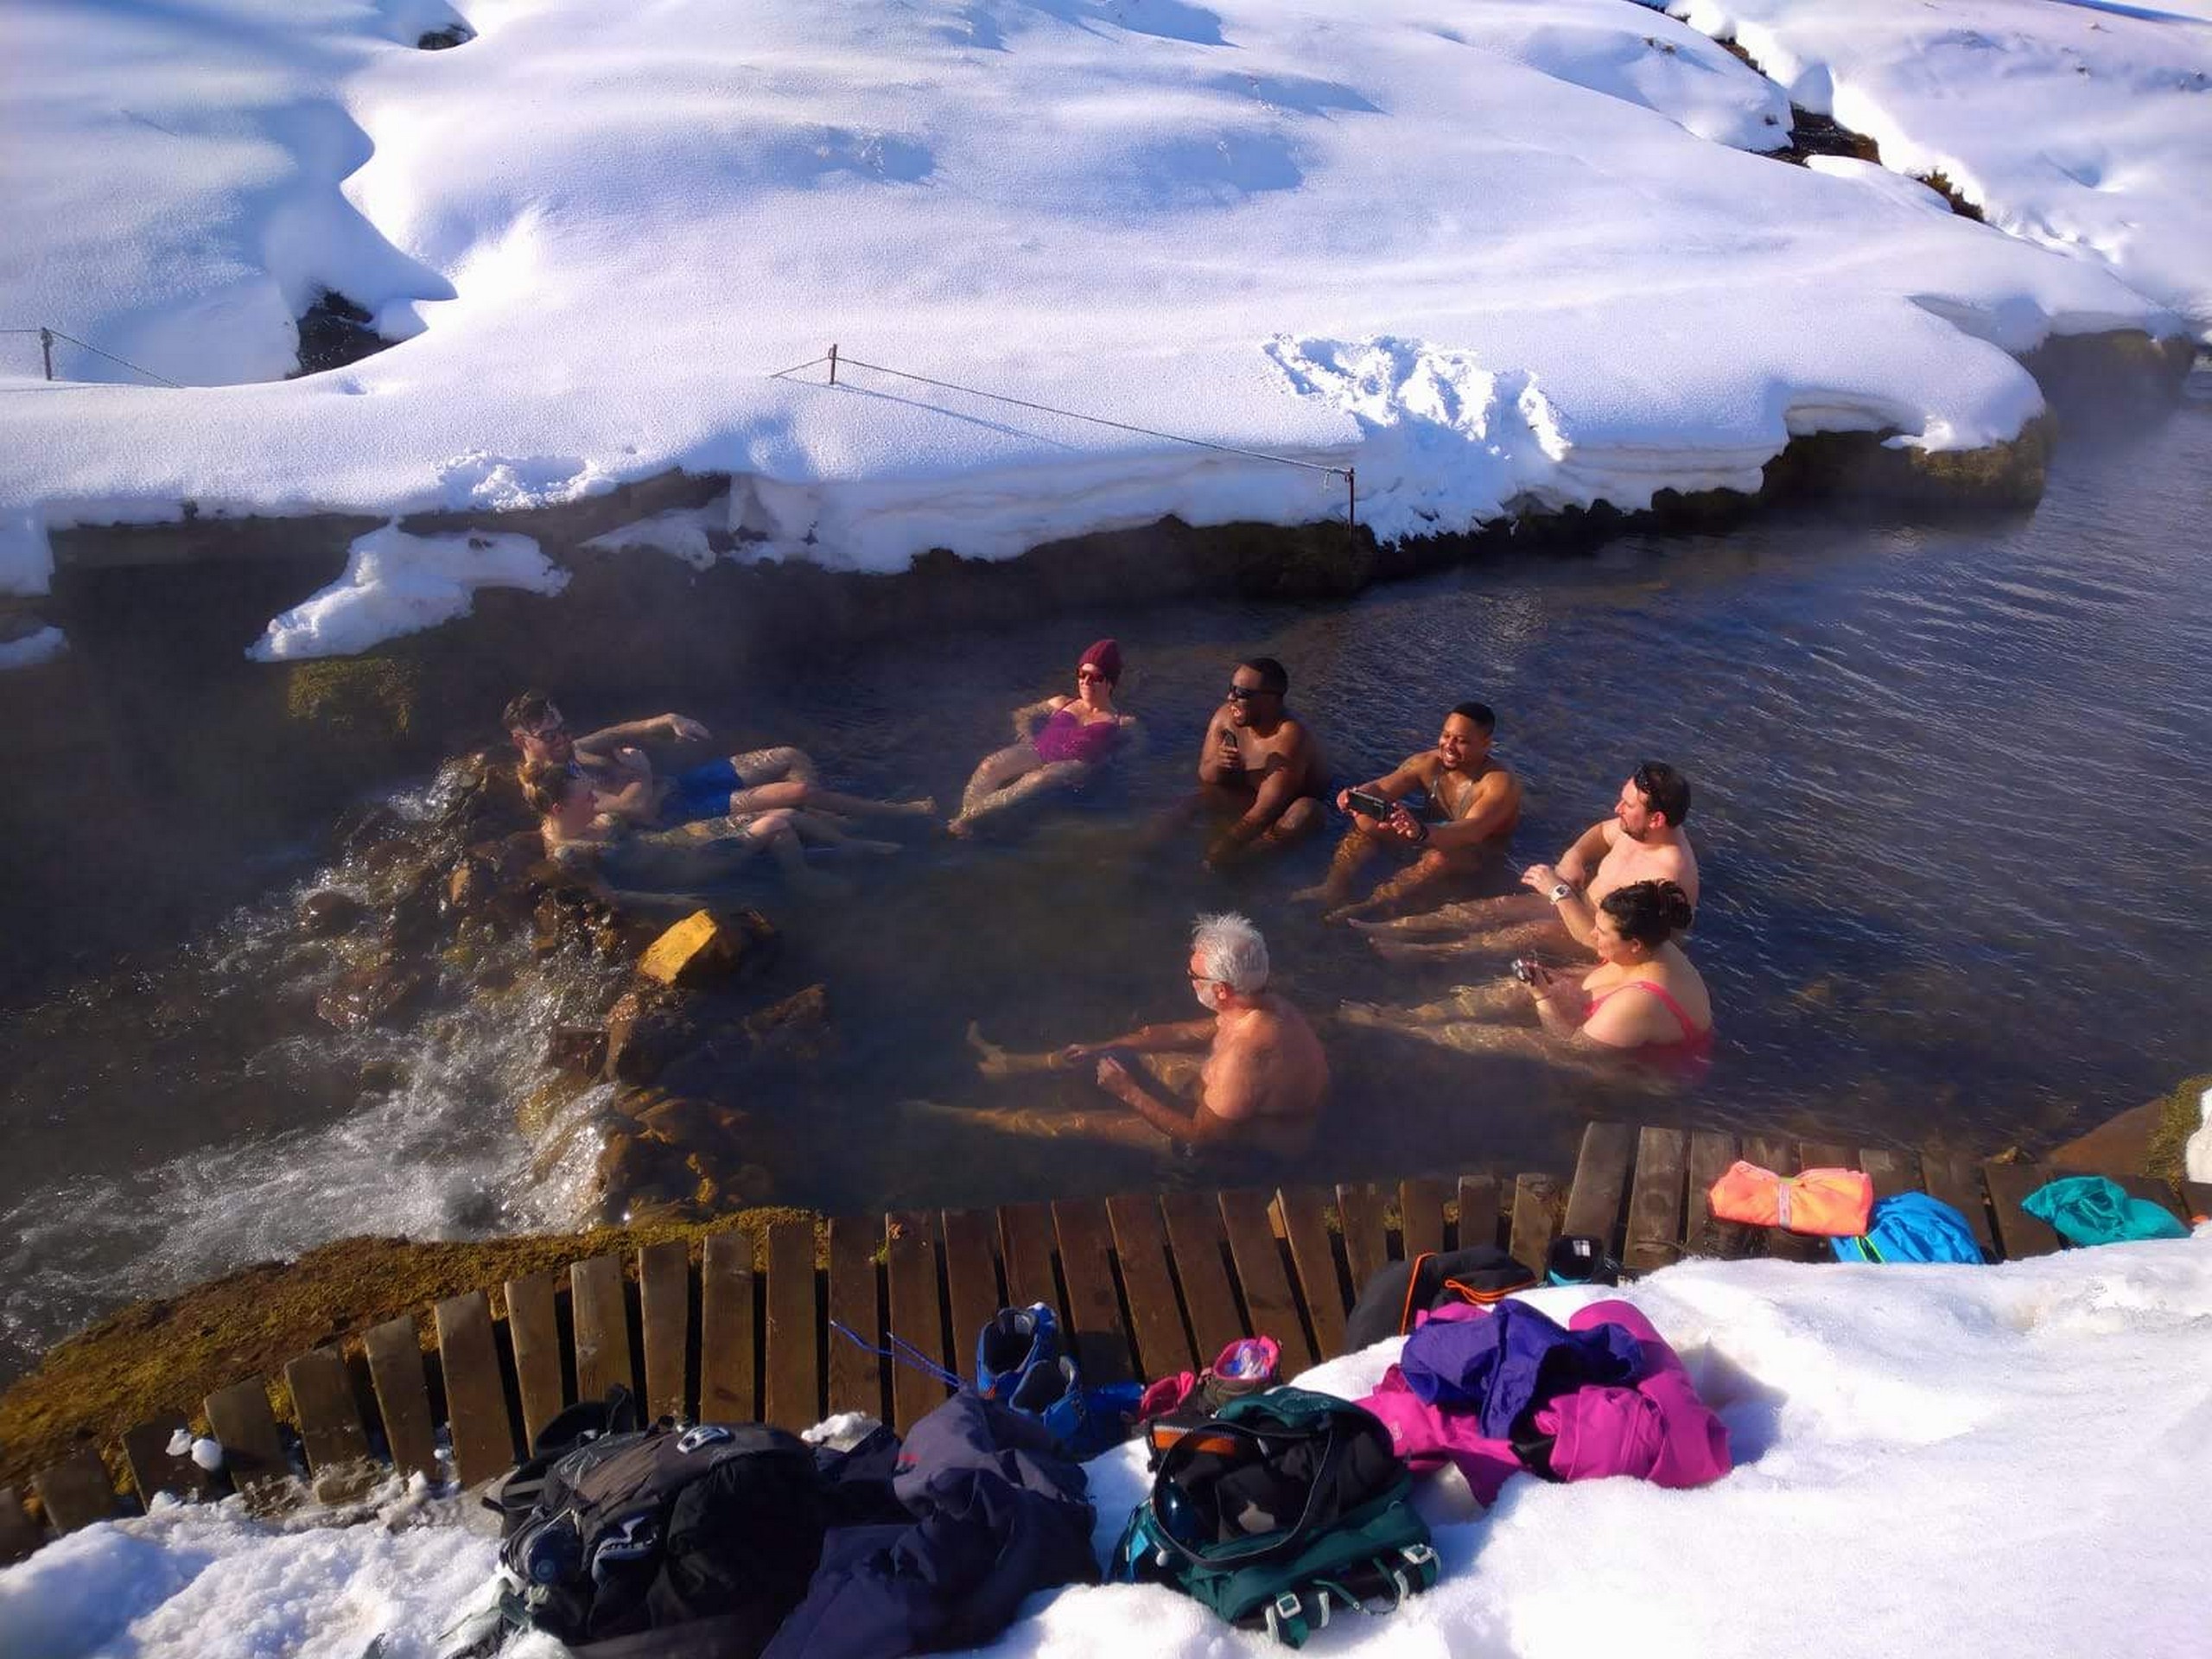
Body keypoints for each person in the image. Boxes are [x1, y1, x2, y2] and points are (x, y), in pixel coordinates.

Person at [962, 913, 1329, 1154]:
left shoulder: (1247, 1056)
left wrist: (1128, 1093)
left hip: (1240, 1146)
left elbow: (1205, 1137)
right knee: (1126, 1050)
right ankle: (1010, 1064)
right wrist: (1106, 1045)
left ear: (1220, 990)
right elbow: (1185, 1032)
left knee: (1085, 1123)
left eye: (1193, 976)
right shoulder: (1258, 1006)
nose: (1188, 979)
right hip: (1223, 1102)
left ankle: (964, 1117)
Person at [1342, 880, 1712, 1065]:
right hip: (1618, 1020)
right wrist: (1545, 987)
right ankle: (1413, 1016)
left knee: (1511, 1037)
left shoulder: (1641, 1001)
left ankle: (1400, 1028)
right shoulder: (1653, 944)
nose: (1591, 935)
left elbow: (1572, 1049)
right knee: (1520, 984)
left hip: (1640, 1073)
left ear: (1634, 945)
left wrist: (1543, 996)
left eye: (1602, 932)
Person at [1357, 761, 1698, 959]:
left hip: (1598, 945)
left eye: (1627, 806)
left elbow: (1620, 949)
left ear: (1657, 820)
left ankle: (1423, 952)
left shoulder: (1668, 875)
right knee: (1500, 906)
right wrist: (1574, 857)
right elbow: (1600, 833)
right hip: (1580, 910)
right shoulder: (1636, 828)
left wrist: (1558, 893)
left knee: (1528, 932)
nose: (1617, 810)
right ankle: (1391, 928)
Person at [503, 690, 933, 831]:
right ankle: (895, 815)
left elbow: (627, 729)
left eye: (563, 727)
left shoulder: (577, 747)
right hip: (677, 816)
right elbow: (638, 809)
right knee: (796, 791)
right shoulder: (551, 789)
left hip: (682, 785)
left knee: (789, 756)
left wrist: (669, 720)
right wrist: (643, 771)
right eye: (549, 734)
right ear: (521, 740)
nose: (562, 738)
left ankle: (827, 821)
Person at [520, 761, 895, 902]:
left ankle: (851, 844)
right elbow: (614, 895)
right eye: (587, 798)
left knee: (781, 810)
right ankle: (802, 877)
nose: (595, 801)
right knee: (777, 824)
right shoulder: (569, 853)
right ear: (559, 809)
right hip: (686, 865)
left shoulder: (580, 818)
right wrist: (689, 902)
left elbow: (639, 816)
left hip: (677, 841)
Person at [1294, 702, 1522, 923]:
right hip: (1426, 831)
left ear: (1486, 745)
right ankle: (1334, 886)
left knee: (1438, 858)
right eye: (1446, 736)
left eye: (1462, 741)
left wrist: (1421, 832)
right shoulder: (1427, 763)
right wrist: (1356, 795)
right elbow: (1383, 787)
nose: (1449, 746)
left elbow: (1473, 830)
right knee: (1366, 821)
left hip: (1476, 851)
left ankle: (1369, 905)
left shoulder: (1499, 783)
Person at [948, 639, 1141, 836]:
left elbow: (1136, 749)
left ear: (1110, 682)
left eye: (1095, 677)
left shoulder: (1122, 722)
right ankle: (965, 819)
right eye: (1081, 674)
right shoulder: (1063, 702)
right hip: (1040, 748)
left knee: (1038, 778)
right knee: (989, 765)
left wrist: (1104, 762)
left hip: (1075, 763)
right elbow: (1022, 714)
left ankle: (964, 819)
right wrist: (1025, 736)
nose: (1085, 681)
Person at [1160, 658, 1327, 868]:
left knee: (1306, 812)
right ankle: (1143, 852)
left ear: (1271, 700)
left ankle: (1246, 865)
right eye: (1231, 689)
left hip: (1282, 808)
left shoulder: (1289, 736)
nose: (1231, 698)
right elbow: (1206, 775)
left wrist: (1220, 851)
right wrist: (1218, 763)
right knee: (1191, 802)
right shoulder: (1225, 718)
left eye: (1242, 693)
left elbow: (1267, 810)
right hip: (1248, 797)